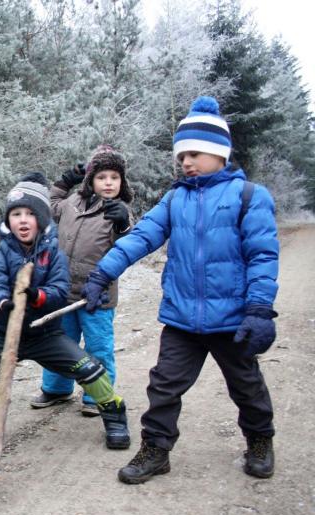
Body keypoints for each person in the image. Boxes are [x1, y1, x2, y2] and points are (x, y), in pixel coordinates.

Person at [82, 96, 279, 484]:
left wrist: (258, 309)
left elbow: (262, 257)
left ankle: (260, 440)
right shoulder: (176, 198)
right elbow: (141, 237)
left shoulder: (249, 197)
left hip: (233, 319)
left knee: (246, 385)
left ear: (218, 153)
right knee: (164, 386)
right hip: (182, 317)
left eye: (194, 153)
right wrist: (102, 274)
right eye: (182, 155)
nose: (186, 162)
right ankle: (156, 449)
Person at [0, 172, 130, 450]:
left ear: (41, 218)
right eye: (16, 213)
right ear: (8, 220)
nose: (22, 219)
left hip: (46, 336)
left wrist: (36, 296)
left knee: (91, 370)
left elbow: (59, 291)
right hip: (6, 335)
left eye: (29, 213)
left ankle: (114, 415)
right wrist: (4, 301)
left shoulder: (54, 253)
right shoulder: (2, 253)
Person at [32, 146, 134, 416]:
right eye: (102, 177)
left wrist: (124, 227)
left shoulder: (118, 212)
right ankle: (56, 389)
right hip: (63, 292)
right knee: (60, 343)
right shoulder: (72, 203)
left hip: (96, 297)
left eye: (115, 177)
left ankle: (96, 396)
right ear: (90, 180)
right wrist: (65, 181)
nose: (109, 182)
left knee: (98, 346)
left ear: (122, 182)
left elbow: (129, 249)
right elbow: (47, 206)